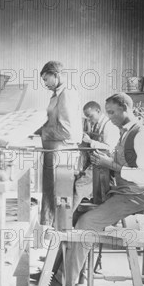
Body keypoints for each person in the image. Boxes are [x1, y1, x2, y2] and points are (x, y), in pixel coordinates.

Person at [56, 92, 144, 286]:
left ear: (125, 108)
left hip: (135, 195)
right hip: (123, 192)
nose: (109, 117)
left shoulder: (142, 135)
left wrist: (111, 164)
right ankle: (68, 275)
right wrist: (106, 160)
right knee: (77, 214)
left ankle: (68, 285)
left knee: (86, 222)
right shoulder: (125, 132)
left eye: (112, 113)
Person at [38, 60, 83, 228]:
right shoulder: (58, 93)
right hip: (54, 150)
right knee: (51, 195)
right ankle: (53, 239)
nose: (45, 84)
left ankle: (59, 240)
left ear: (56, 75)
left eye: (46, 79)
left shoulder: (67, 93)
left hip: (62, 152)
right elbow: (55, 122)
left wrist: (43, 132)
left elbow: (67, 131)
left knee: (59, 199)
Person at [72, 101, 120, 212]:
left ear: (98, 111)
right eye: (87, 117)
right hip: (95, 162)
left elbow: (109, 148)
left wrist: (90, 141)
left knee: (80, 186)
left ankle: (66, 221)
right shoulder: (96, 125)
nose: (89, 120)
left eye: (90, 116)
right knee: (76, 181)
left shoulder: (110, 126)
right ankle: (75, 218)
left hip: (105, 164)